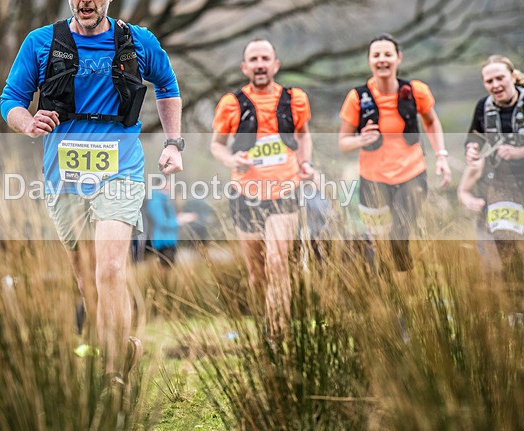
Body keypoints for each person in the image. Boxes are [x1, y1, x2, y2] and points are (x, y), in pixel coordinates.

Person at [0, 0, 183, 385]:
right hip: (63, 176)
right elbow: (11, 100)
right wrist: (28, 122)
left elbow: (168, 86)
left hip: (120, 171)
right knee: (87, 280)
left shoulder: (138, 42)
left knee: (111, 268)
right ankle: (119, 344)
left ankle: (112, 374)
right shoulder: (40, 43)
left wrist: (174, 143)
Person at [210, 38, 314, 337]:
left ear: (275, 65)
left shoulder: (295, 99)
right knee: (257, 274)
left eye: (265, 59)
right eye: (253, 60)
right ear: (245, 67)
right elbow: (217, 145)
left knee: (278, 262)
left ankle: (278, 334)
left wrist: (305, 163)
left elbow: (303, 135)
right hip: (246, 193)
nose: (259, 65)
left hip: (285, 190)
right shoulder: (231, 103)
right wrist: (232, 159)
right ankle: (265, 323)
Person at [338, 33, 451, 274]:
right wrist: (361, 139)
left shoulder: (416, 91)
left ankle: (403, 280)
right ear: (369, 60)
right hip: (373, 179)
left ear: (398, 58)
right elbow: (343, 143)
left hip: (411, 173)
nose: (382, 59)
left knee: (399, 232)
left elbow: (431, 122)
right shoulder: (357, 97)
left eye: (388, 54)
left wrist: (441, 155)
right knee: (379, 244)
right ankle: (388, 286)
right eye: (376, 55)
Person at [462, 54, 524, 275]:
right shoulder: (484, 106)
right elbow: (474, 136)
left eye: (500, 78)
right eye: (489, 81)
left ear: (512, 77)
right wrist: (472, 149)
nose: (495, 85)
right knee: (505, 243)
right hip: (502, 182)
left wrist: (519, 152)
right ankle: (514, 291)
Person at [145, 184, 179, 269]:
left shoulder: (166, 201)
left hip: (170, 240)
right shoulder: (155, 202)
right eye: (167, 185)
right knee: (165, 269)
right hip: (161, 242)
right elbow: (161, 222)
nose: (170, 187)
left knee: (169, 268)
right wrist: (179, 221)